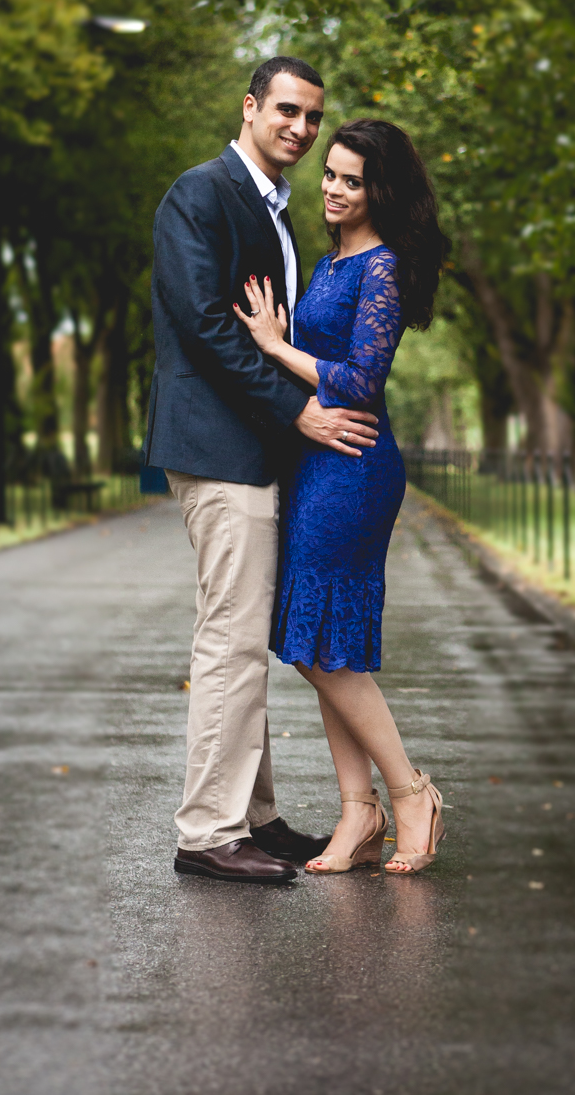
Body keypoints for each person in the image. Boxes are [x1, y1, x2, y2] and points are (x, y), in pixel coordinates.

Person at [146, 57, 381, 884]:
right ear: (250, 108)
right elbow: (207, 328)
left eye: (313, 117)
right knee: (231, 641)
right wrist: (297, 412)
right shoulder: (200, 193)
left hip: (256, 453)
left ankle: (254, 815)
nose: (301, 128)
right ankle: (208, 833)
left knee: (244, 637)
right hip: (219, 449)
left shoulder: (271, 208)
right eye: (287, 110)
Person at [234, 118, 450, 874]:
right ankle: (357, 814)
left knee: (323, 646)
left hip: (354, 464)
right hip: (312, 459)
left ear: (379, 191)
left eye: (351, 180)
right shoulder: (329, 262)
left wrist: (272, 346)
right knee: (323, 638)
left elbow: (362, 379)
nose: (332, 187)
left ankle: (410, 791)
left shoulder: (382, 267)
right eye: (330, 173)